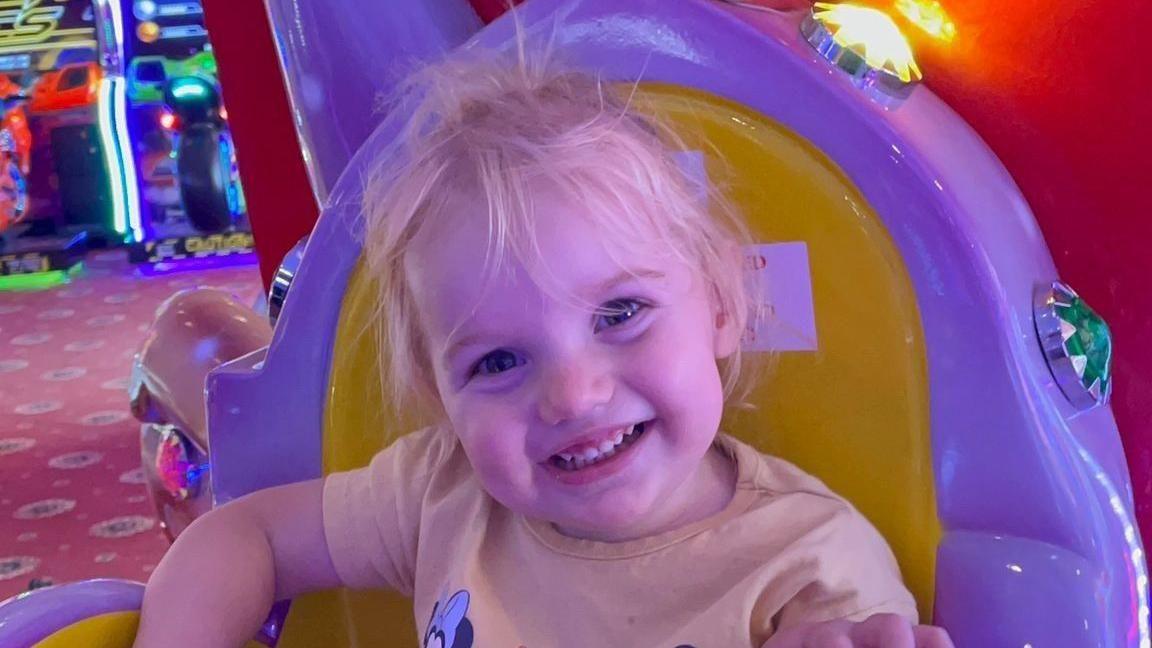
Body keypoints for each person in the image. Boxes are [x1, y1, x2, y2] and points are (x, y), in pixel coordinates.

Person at [134, 39, 953, 648]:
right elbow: (245, 536)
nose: (572, 394)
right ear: (437, 391)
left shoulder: (811, 571)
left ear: (722, 307)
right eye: (496, 361)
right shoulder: (439, 492)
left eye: (620, 313)